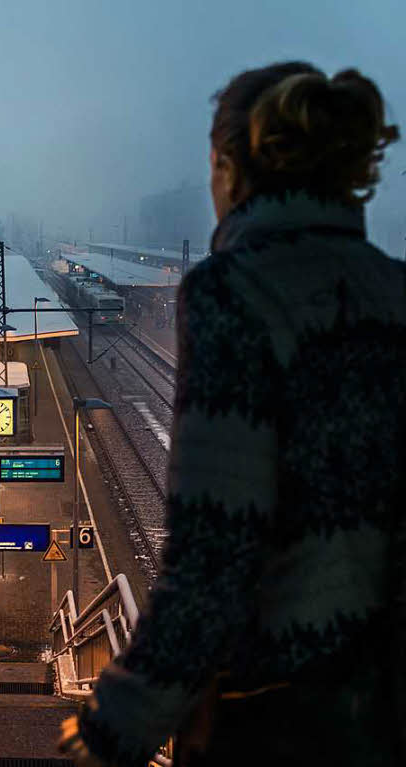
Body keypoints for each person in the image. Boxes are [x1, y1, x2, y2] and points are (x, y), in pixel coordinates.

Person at [60, 62, 406, 766]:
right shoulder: (395, 291)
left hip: (273, 718)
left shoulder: (233, 294)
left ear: (228, 169)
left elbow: (215, 558)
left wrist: (113, 727)